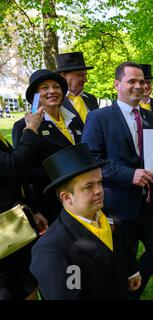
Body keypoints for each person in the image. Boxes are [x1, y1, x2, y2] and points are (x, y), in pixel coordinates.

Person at [81, 61, 153, 299]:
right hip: (118, 206)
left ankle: (129, 292)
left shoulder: (152, 117)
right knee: (122, 262)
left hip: (149, 203)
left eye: (142, 81)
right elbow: (93, 160)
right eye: (132, 81)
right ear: (117, 84)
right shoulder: (99, 118)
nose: (138, 86)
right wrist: (130, 175)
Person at [30, 143, 141, 299]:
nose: (99, 190)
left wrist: (132, 271)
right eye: (88, 186)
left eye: (100, 182)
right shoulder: (52, 249)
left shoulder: (107, 216)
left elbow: (122, 247)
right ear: (67, 197)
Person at [12, 70, 84, 224]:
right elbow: (25, 170)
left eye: (56, 87)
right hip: (50, 203)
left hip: (82, 196)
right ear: (35, 96)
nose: (52, 91)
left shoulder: (75, 121)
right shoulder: (23, 126)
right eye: (44, 88)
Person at [0, 107, 46, 300]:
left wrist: (32, 210)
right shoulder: (25, 129)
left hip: (16, 224)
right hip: (4, 233)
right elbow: (14, 165)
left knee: (27, 280)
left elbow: (16, 179)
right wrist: (31, 130)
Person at [56, 51, 99, 125]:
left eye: (85, 75)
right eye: (80, 75)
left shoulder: (91, 99)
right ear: (63, 76)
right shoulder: (53, 100)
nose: (85, 80)